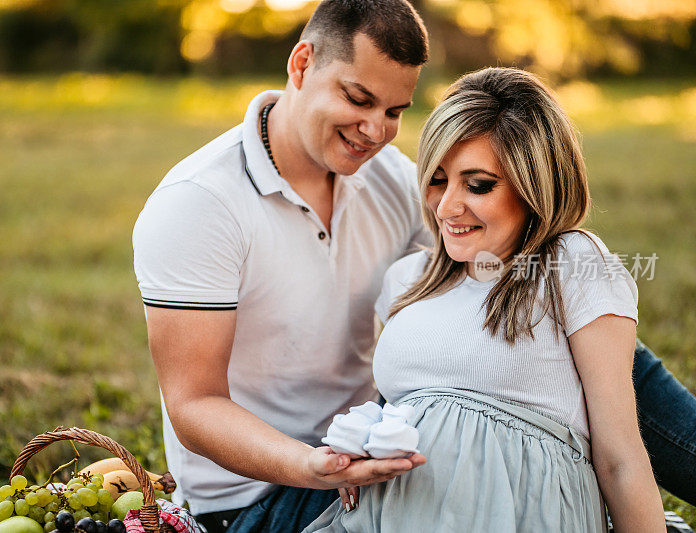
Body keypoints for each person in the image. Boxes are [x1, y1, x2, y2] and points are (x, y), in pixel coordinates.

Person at [132, 1, 696, 531]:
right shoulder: (200, 203)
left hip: (380, 447)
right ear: (302, 64)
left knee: (569, 310)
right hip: (270, 491)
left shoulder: (393, 180)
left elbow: (477, 287)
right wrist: (314, 465)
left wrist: (576, 281)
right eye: (357, 99)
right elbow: (195, 404)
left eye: (394, 111)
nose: (375, 130)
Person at [304, 66, 664, 533]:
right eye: (436, 180)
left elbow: (620, 457)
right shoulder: (405, 280)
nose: (447, 207)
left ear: (535, 186)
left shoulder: (571, 264)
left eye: (478, 185)